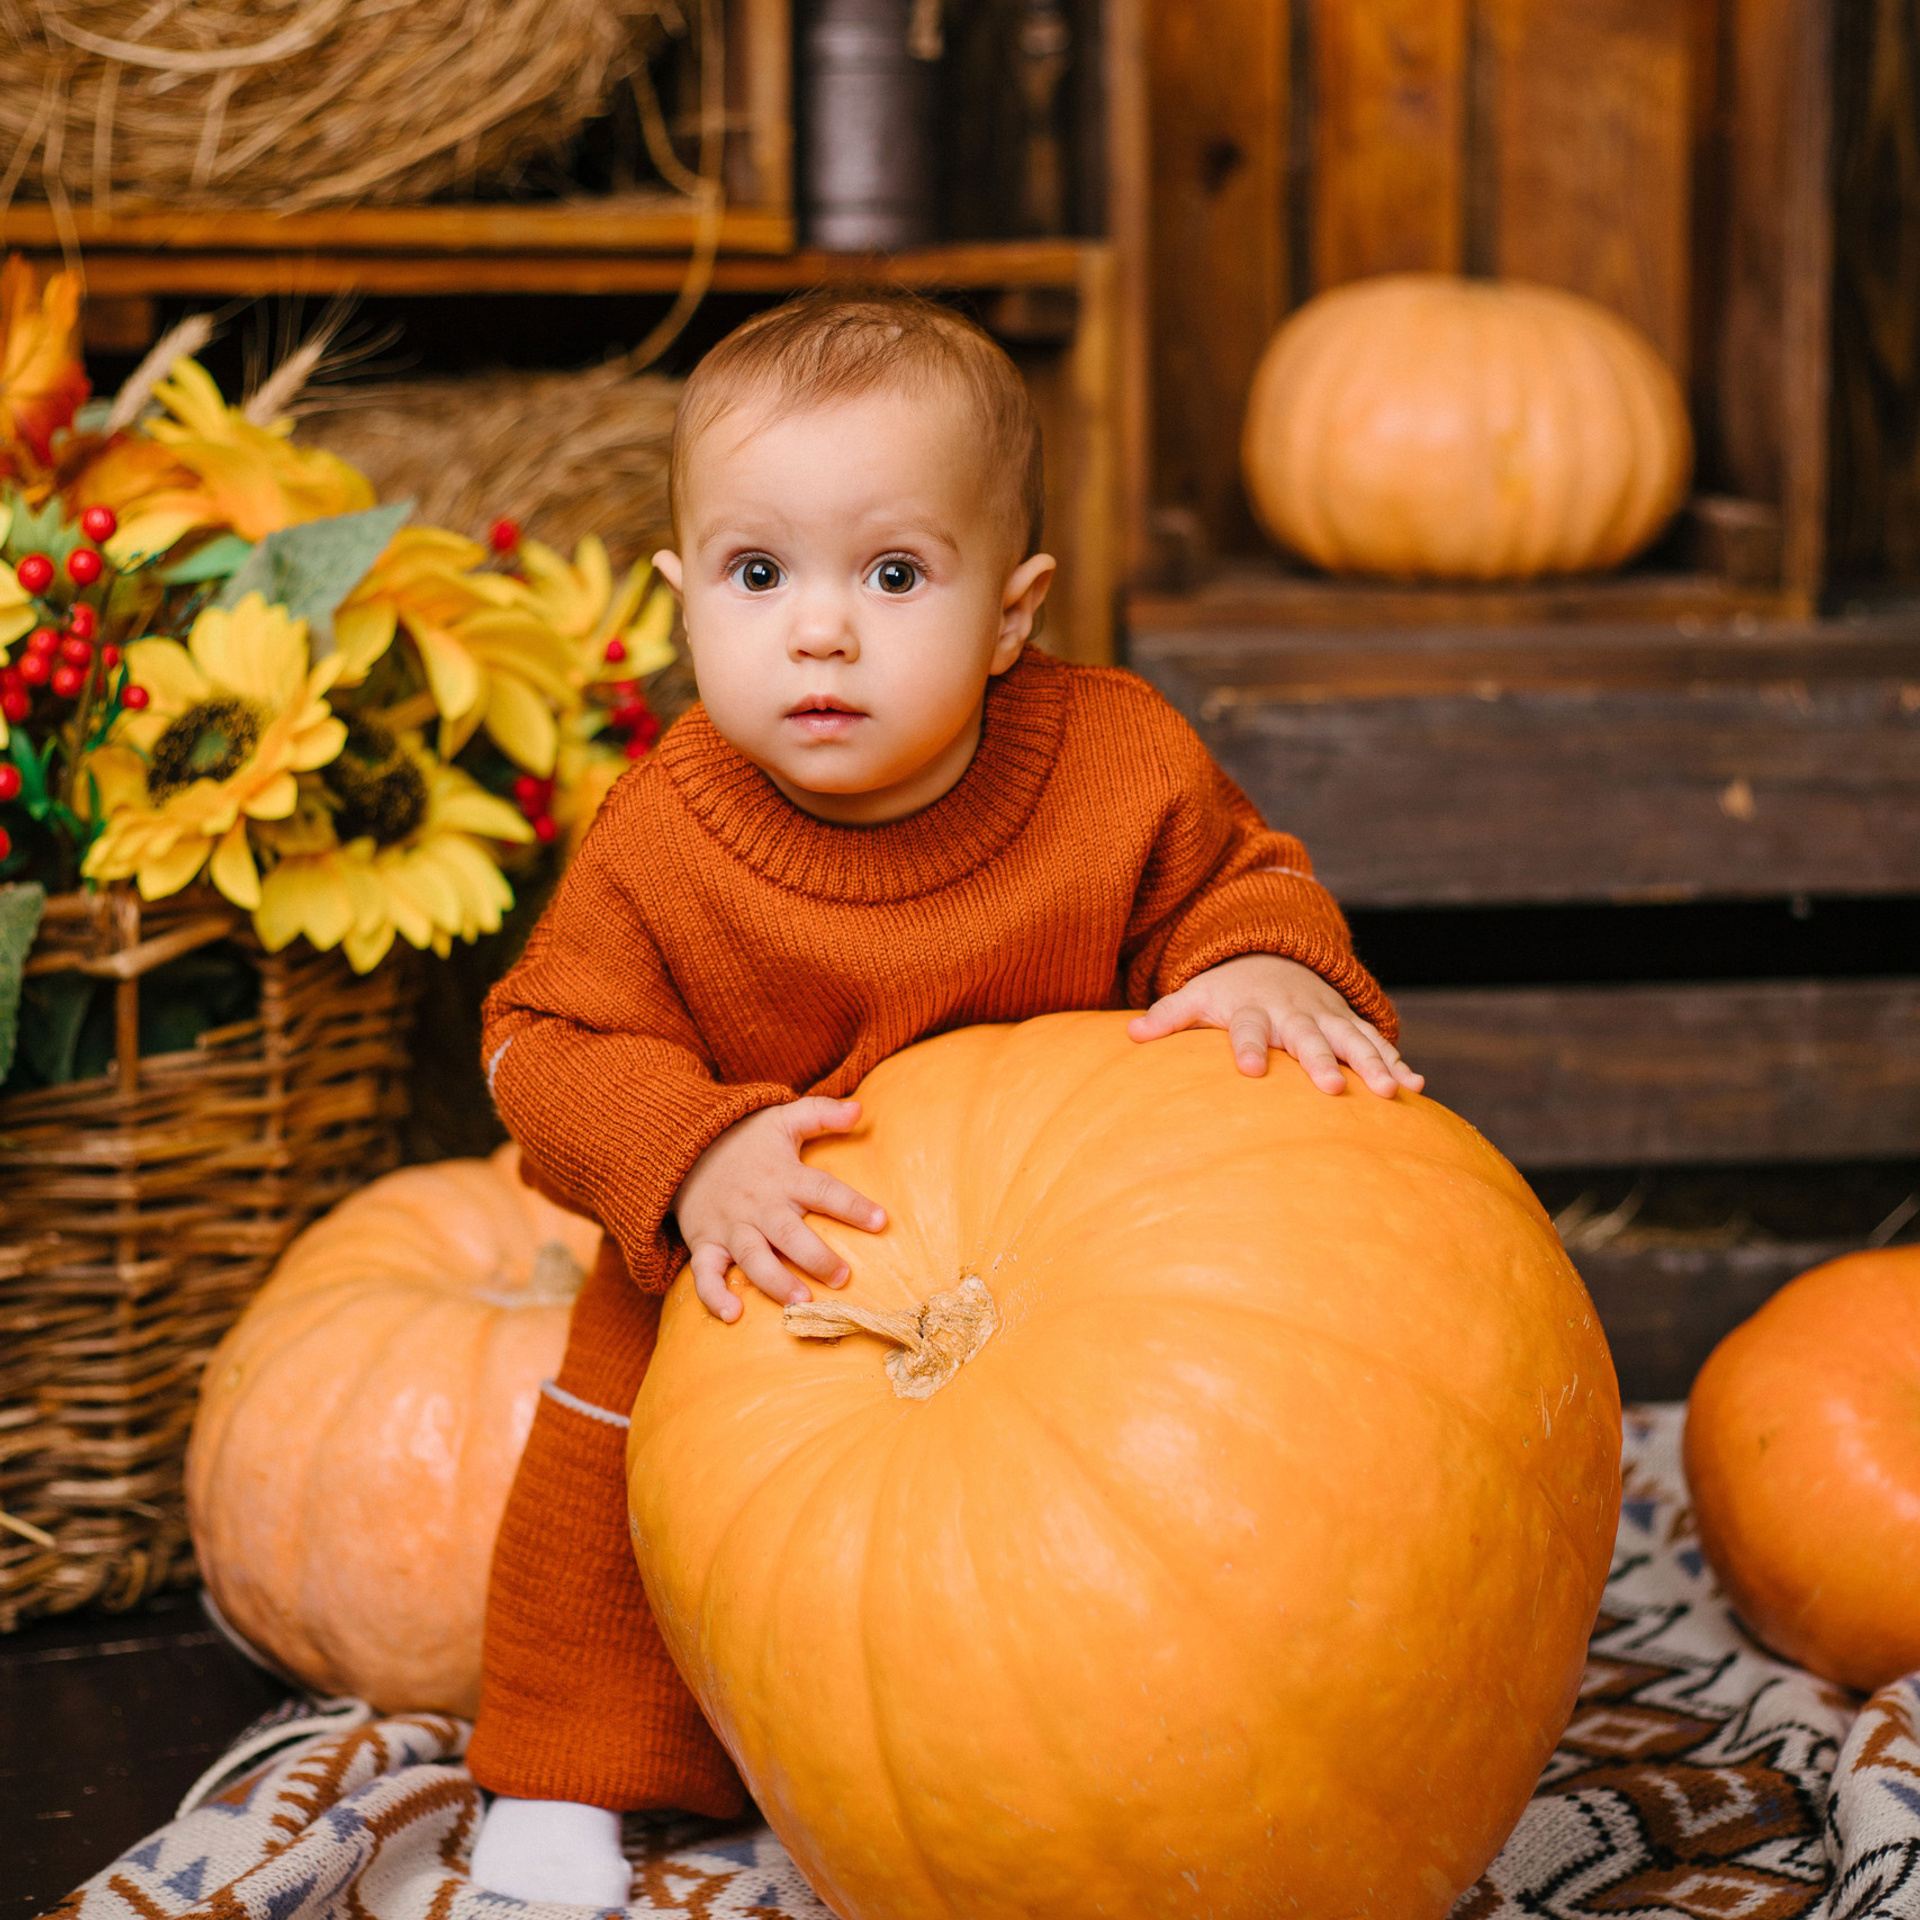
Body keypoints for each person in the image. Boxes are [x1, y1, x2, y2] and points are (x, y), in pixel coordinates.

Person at [465, 291, 1422, 1903]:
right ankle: (563, 1772)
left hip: (1068, 1284)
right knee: (616, 1450)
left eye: (893, 575)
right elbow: (540, 1043)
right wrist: (694, 1159)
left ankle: (973, 1755)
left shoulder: (1119, 763)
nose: (820, 631)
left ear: (1011, 612)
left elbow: (1238, 883)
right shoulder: (661, 836)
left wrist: (1268, 962)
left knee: (1116, 1511)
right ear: (683, 600)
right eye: (760, 576)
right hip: (778, 1249)